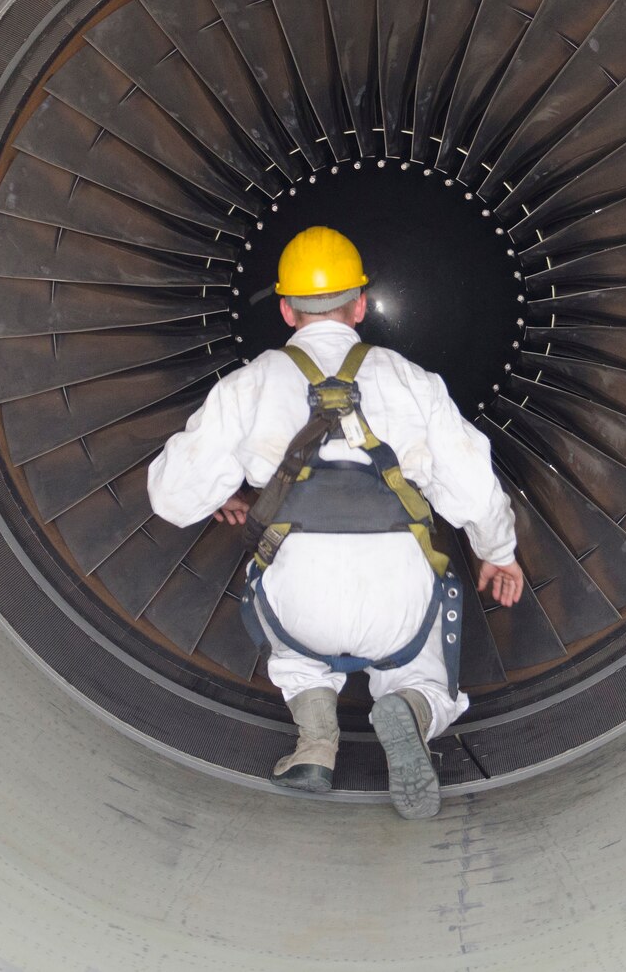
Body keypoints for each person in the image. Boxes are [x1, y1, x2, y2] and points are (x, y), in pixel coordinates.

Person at [146, 225, 526, 819]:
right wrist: (498, 552)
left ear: (285, 310)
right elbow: (475, 489)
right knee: (423, 658)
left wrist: (223, 490)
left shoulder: (247, 386)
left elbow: (171, 498)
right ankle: (413, 708)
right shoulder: (411, 381)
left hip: (302, 607)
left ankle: (314, 740)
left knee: (281, 609)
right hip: (397, 602)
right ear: (361, 305)